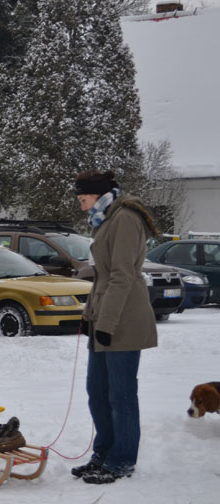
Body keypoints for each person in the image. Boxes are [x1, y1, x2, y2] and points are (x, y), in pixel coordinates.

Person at [73, 170, 157, 484]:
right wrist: (89, 315)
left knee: (121, 394)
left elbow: (122, 276)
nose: (81, 205)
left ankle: (121, 460)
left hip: (124, 319)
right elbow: (103, 277)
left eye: (83, 198)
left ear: (97, 195)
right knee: (97, 390)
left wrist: (106, 322)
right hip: (105, 315)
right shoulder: (106, 219)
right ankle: (104, 453)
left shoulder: (125, 219)